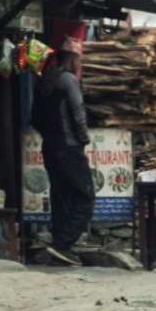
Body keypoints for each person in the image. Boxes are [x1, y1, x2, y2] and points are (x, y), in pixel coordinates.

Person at [33, 35, 93, 267]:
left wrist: (51, 136)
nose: (80, 64)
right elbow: (78, 111)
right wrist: (83, 139)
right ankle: (63, 244)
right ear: (72, 59)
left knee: (60, 197)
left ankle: (59, 245)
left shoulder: (44, 80)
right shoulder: (68, 80)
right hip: (69, 148)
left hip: (50, 147)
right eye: (79, 59)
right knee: (85, 196)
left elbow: (34, 117)